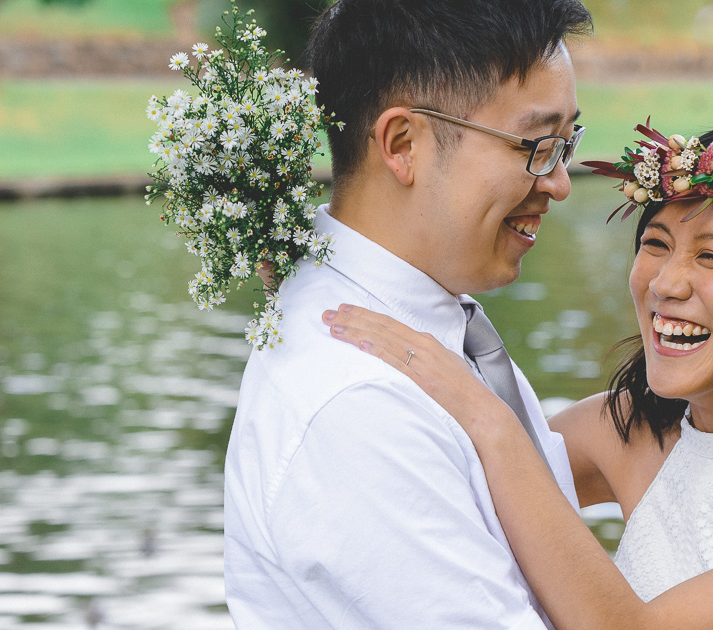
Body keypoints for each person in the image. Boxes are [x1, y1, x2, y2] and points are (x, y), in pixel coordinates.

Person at [322, 118, 713, 629]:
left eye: (710, 255)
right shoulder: (625, 430)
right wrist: (309, 287)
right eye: (656, 243)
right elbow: (435, 487)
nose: (665, 283)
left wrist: (488, 417)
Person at [222, 1, 592, 628]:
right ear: (402, 144)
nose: (559, 182)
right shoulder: (360, 401)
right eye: (537, 146)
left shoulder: (432, 320)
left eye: (567, 143)